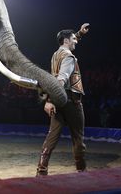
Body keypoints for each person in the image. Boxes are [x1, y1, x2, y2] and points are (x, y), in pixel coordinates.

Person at [36, 23, 90, 176]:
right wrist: (51, 100)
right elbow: (61, 80)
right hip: (72, 101)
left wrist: (79, 33)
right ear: (66, 41)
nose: (76, 41)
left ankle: (41, 170)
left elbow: (54, 80)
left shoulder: (56, 54)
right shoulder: (69, 57)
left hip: (58, 101)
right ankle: (82, 170)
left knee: (52, 136)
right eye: (74, 39)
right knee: (78, 138)